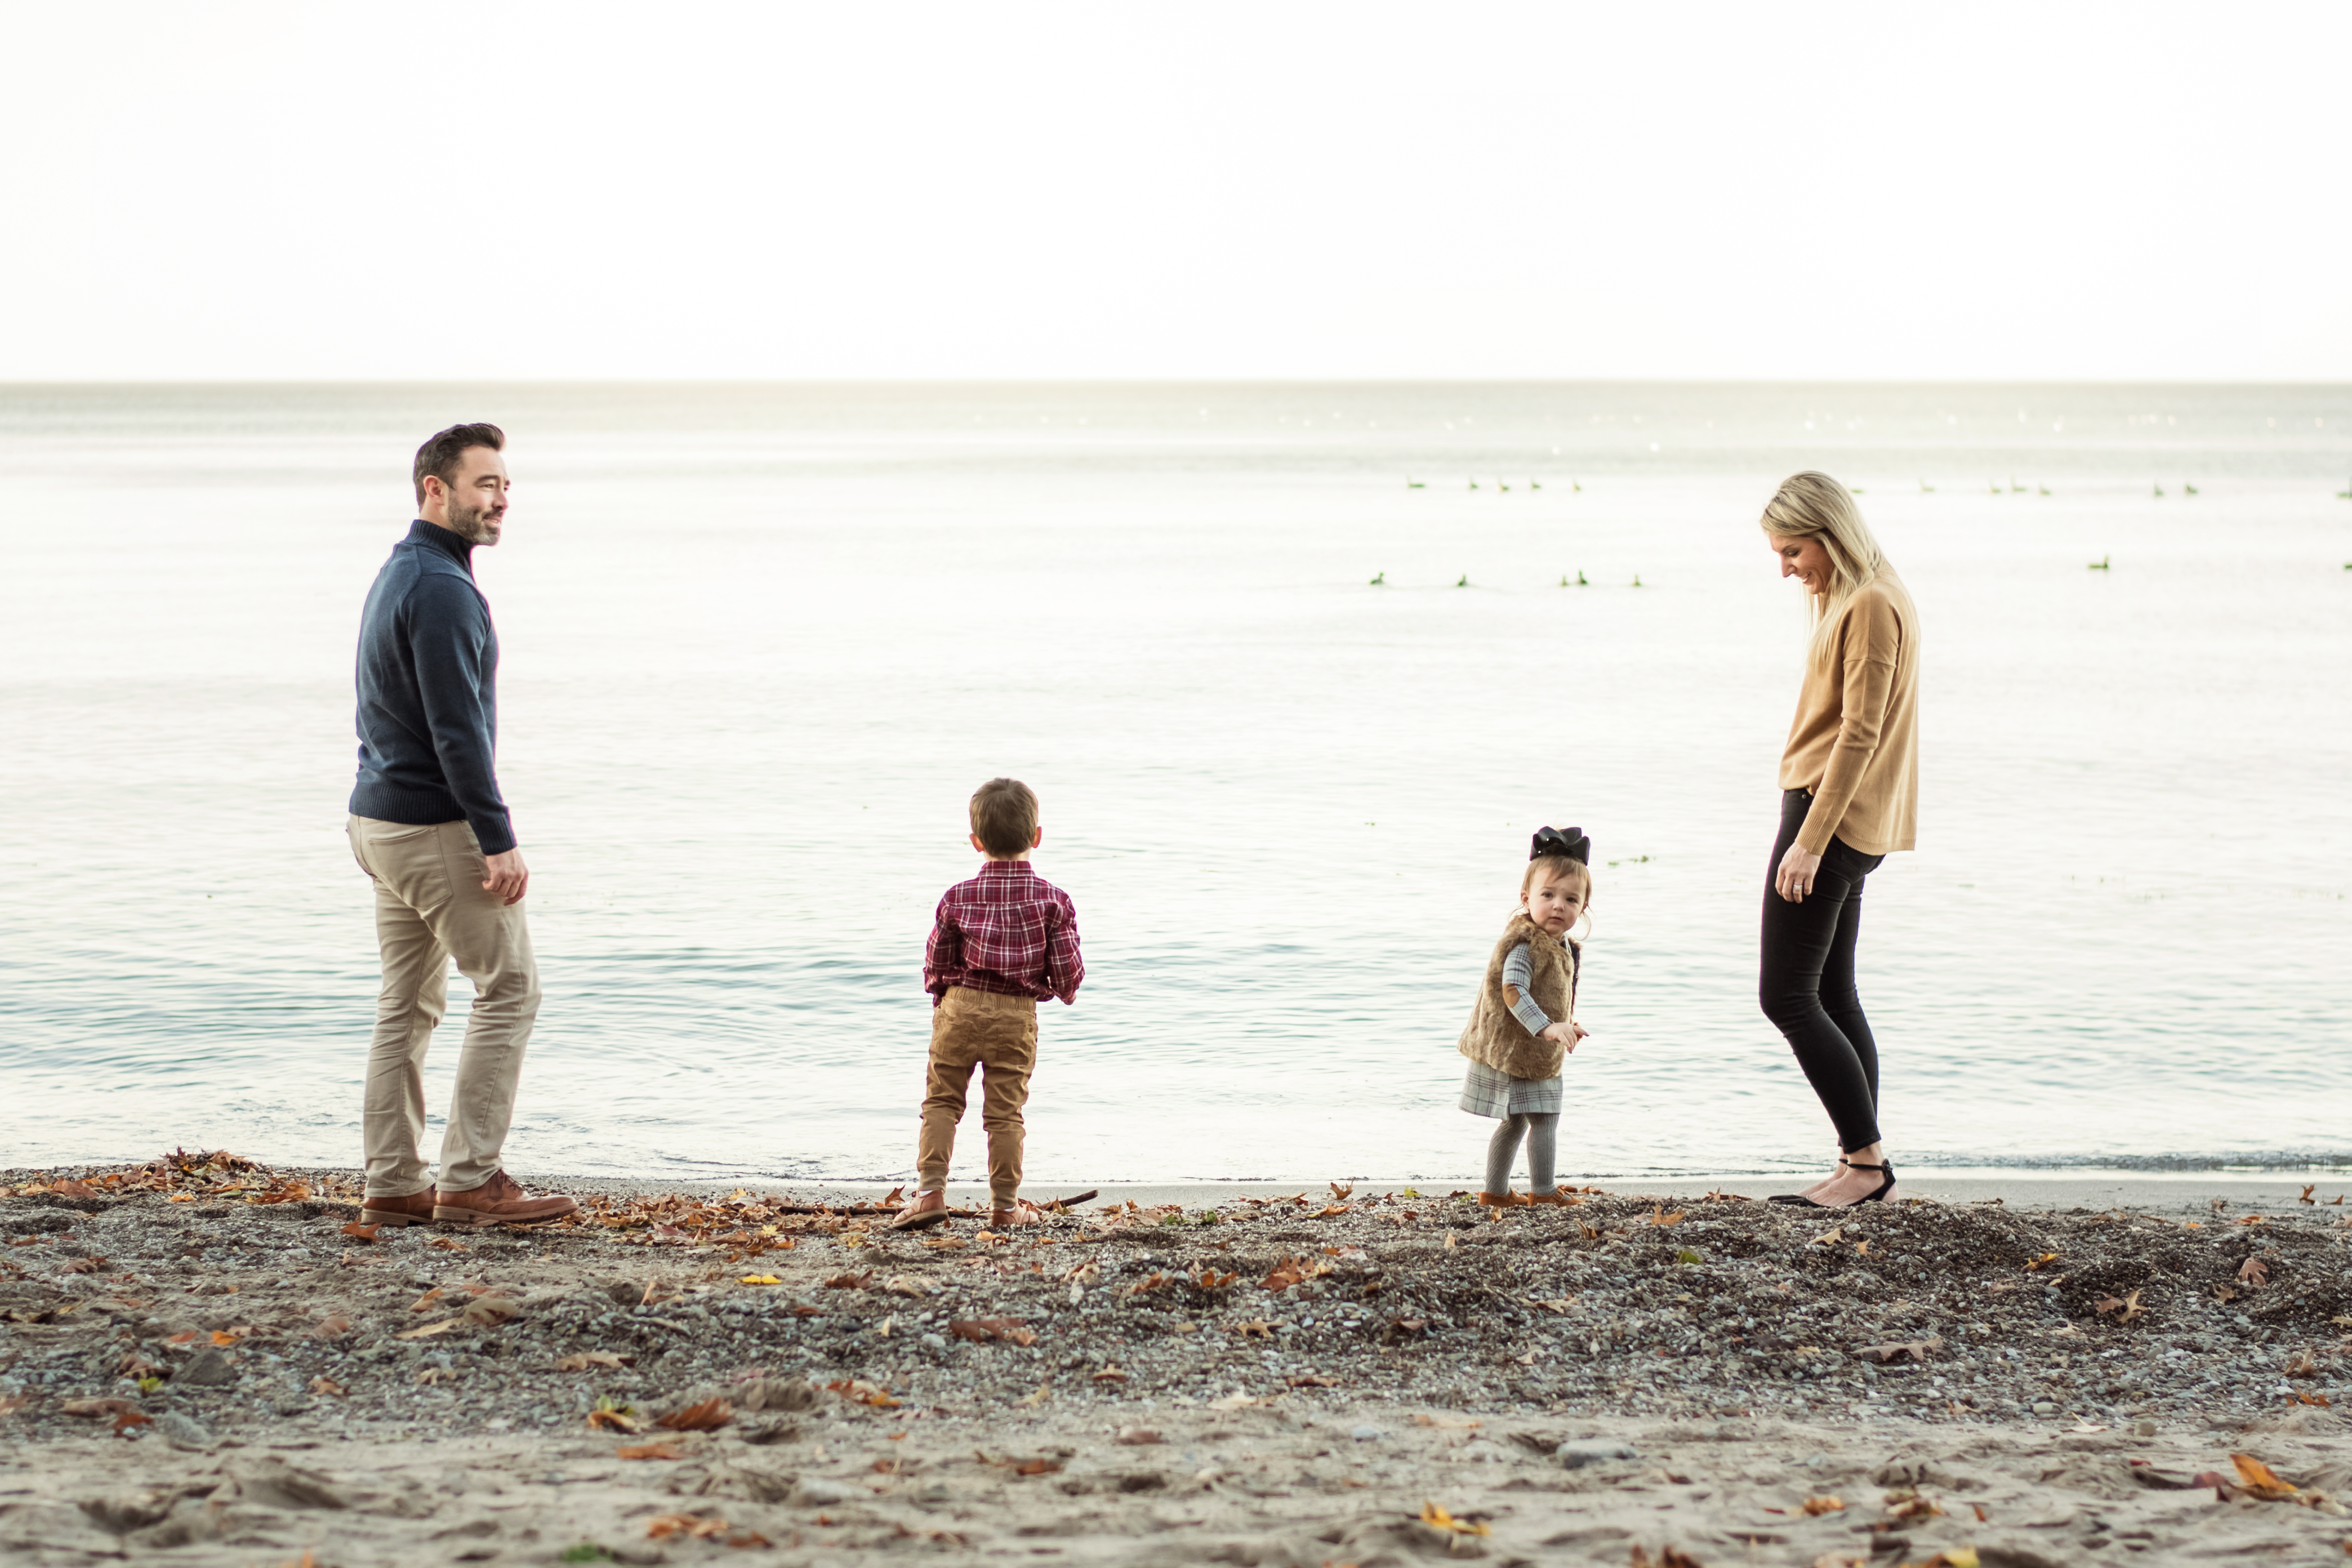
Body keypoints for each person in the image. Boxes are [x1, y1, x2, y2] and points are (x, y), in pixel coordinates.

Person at [346, 423, 576, 1230]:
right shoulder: (440, 589)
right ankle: (471, 1180)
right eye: (485, 484)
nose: (501, 498)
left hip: (380, 821)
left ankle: (393, 1182)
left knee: (406, 1005)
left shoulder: (404, 572)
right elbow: (456, 731)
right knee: (510, 989)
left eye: (505, 485)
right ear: (434, 490)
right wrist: (497, 836)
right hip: (432, 827)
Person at [1756, 472, 1921, 1209]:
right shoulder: (1865, 591)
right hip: (1843, 812)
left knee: (1787, 996)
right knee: (1830, 991)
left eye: (1793, 551)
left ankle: (1867, 1164)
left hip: (1828, 813)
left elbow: (1861, 731)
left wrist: (1810, 840)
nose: (1786, 569)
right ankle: (1861, 1161)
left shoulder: (1872, 603)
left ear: (1830, 534)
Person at [892, 778, 1084, 1232]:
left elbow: (937, 963)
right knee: (1004, 1115)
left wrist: (942, 1001)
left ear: (976, 841)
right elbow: (1068, 975)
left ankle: (930, 1194)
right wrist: (1059, 991)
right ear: (1036, 836)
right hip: (1015, 1014)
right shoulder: (1054, 901)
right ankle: (1004, 1206)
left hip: (959, 1007)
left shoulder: (957, 897)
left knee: (942, 1102)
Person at [1456, 827, 1593, 1208]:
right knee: (1544, 1120)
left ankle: (1495, 1192)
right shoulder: (1525, 944)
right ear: (1526, 898)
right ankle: (1543, 1192)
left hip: (1530, 1050)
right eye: (1547, 895)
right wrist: (1547, 1027)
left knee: (1516, 1120)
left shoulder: (1562, 945)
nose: (1558, 906)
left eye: (1570, 899)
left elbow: (1552, 994)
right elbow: (1513, 991)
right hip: (1519, 1049)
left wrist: (1566, 1023)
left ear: (1583, 907)